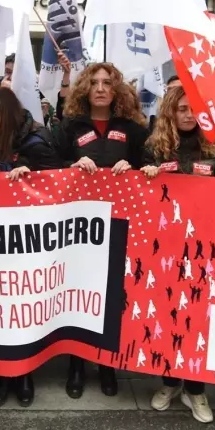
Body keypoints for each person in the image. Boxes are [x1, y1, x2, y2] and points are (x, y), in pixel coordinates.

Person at [54, 62, 149, 399]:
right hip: (78, 227)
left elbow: (150, 162)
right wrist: (71, 165)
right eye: (93, 82)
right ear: (84, 89)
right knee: (79, 292)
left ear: (116, 89)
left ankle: (107, 363)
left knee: (111, 294)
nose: (100, 88)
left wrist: (136, 167)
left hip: (119, 225)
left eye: (107, 82)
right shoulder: (69, 126)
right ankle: (77, 364)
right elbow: (50, 164)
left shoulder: (134, 128)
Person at [140, 85, 215, 425]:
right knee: (168, 315)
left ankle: (195, 388)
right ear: (170, 111)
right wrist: (146, 175)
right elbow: (141, 195)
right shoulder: (153, 147)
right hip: (164, 246)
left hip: (204, 247)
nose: (188, 114)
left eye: (193, 108)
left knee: (199, 315)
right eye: (181, 108)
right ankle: (168, 381)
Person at [0, 87, 64, 407]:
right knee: (3, 310)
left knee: (24, 310)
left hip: (32, 245)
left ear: (2, 115)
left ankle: (24, 373)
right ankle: (5, 372)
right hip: (2, 241)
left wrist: (32, 180)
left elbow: (59, 190)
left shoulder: (37, 143)